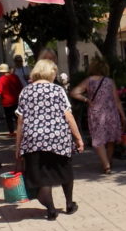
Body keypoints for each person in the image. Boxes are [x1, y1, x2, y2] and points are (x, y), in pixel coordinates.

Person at [14, 59, 85, 220]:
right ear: (49, 73)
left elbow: (20, 121)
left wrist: (18, 147)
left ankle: (51, 209)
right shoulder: (58, 90)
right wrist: (78, 138)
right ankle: (69, 203)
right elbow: (68, 116)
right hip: (58, 138)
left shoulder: (25, 92)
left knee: (42, 177)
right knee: (64, 170)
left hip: (33, 140)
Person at [70, 58, 126, 173]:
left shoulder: (89, 81)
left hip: (95, 113)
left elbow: (74, 92)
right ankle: (108, 161)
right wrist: (123, 116)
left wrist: (86, 99)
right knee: (111, 139)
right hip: (111, 112)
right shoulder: (110, 81)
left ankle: (106, 165)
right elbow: (117, 100)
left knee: (99, 139)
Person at [0, 63, 23, 133]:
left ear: (2, 71)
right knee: (17, 116)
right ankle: (20, 131)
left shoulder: (1, 79)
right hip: (16, 100)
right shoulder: (15, 77)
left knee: (9, 117)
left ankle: (11, 132)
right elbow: (20, 87)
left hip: (6, 101)